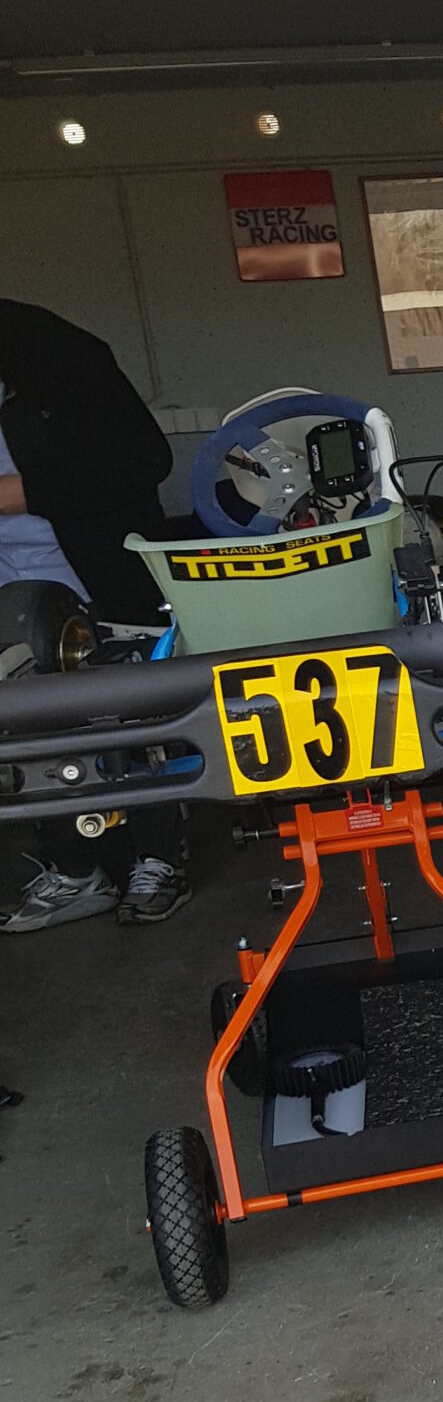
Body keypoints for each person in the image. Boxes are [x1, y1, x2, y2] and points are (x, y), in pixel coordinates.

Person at [0, 298, 190, 929]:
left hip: (97, 574)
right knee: (30, 732)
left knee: (130, 716)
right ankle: (76, 871)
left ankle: (158, 860)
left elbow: (143, 459)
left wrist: (24, 493)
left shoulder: (49, 347)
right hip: (11, 593)